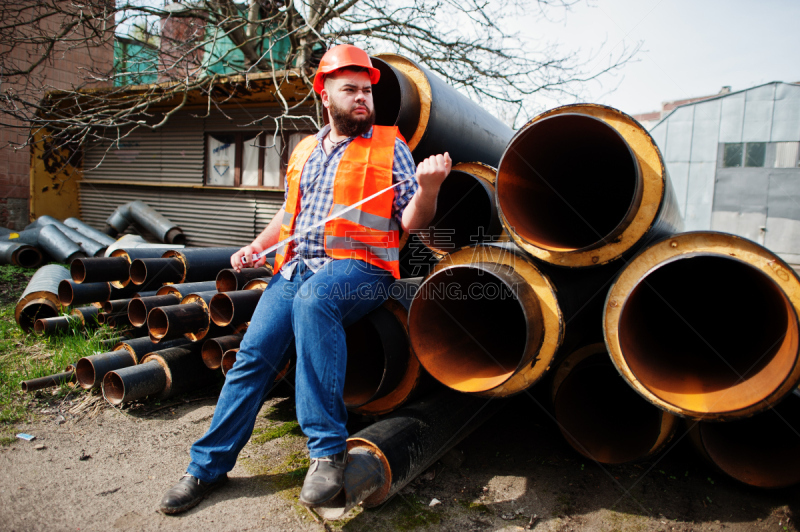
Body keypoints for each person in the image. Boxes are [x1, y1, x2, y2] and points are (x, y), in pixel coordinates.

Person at [159, 43, 451, 515]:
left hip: (363, 269)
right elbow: (289, 214)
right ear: (325, 94)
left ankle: (326, 451)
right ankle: (206, 467)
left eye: (367, 92)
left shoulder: (388, 145)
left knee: (316, 301)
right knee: (253, 356)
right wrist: (258, 244)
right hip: (296, 268)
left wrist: (430, 186)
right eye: (350, 90)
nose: (362, 99)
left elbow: (413, 221)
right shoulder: (306, 150)